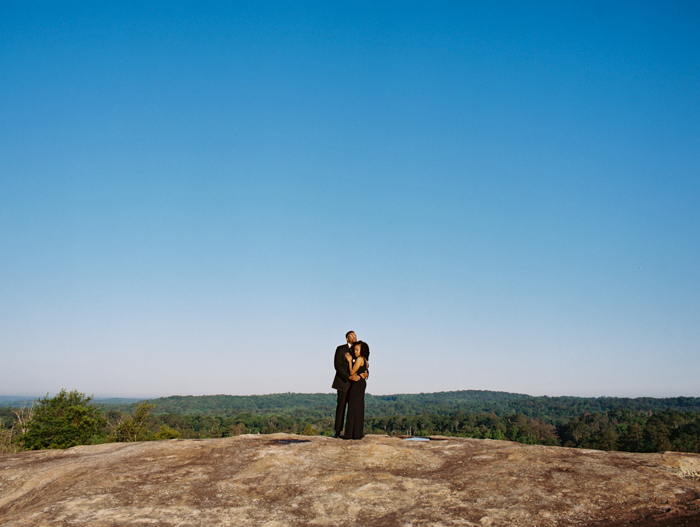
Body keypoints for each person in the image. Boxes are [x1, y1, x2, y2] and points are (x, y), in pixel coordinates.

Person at [332, 331, 368, 438]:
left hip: (355, 386)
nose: (354, 337)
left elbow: (364, 365)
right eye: (351, 336)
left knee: (354, 408)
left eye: (355, 335)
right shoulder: (341, 349)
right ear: (347, 338)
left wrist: (366, 373)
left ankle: (353, 432)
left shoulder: (358, 350)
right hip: (343, 383)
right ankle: (337, 431)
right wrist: (349, 376)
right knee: (341, 407)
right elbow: (338, 366)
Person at [343, 340, 369, 440]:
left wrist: (350, 361)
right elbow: (365, 370)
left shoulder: (359, 359)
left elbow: (352, 372)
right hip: (361, 384)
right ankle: (357, 433)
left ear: (362, 350)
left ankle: (350, 434)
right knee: (358, 407)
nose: (355, 352)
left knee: (353, 407)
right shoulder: (366, 361)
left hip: (357, 384)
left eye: (357, 350)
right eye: (355, 350)